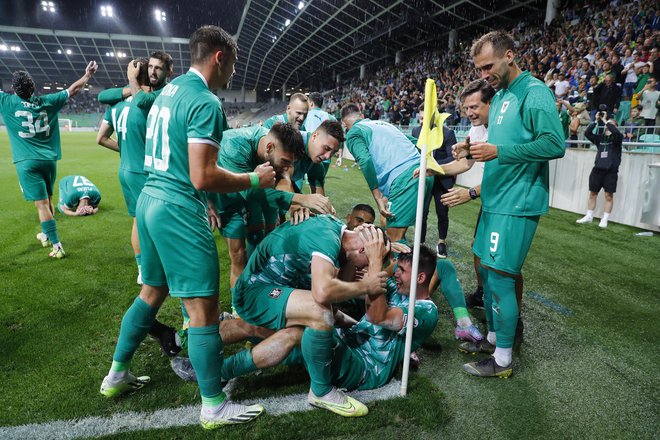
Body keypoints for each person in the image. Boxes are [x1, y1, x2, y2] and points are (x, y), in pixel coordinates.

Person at [99, 25, 276, 430]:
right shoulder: (205, 101)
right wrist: (253, 179)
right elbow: (202, 175)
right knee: (203, 311)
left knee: (151, 291)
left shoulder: (171, 90)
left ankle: (116, 375)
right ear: (219, 57)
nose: (233, 71)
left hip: (148, 200)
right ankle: (213, 404)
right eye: (232, 62)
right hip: (178, 207)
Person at [455, 31, 564, 378]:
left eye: (488, 66)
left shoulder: (534, 94)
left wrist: (500, 152)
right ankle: (491, 337)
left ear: (510, 56)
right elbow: (499, 144)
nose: (484, 74)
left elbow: (554, 144)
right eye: (479, 68)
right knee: (486, 275)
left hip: (517, 204)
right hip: (495, 201)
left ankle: (502, 361)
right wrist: (471, 150)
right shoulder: (500, 96)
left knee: (501, 280)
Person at [232, 217, 391, 417]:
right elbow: (323, 293)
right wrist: (367, 285)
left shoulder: (335, 231)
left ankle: (219, 371)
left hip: (274, 286)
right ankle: (321, 390)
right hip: (253, 293)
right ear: (361, 251)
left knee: (310, 324)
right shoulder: (327, 239)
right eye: (365, 265)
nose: (363, 270)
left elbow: (340, 288)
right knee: (319, 312)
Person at [207, 123, 332, 288]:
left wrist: (294, 204)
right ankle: (234, 308)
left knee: (251, 250)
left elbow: (281, 178)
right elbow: (248, 191)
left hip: (247, 197)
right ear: (269, 147)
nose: (287, 167)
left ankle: (247, 301)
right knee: (227, 258)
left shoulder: (276, 147)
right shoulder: (234, 146)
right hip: (222, 199)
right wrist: (301, 199)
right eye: (285, 161)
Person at [0, 61, 98, 259]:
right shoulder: (48, 101)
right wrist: (87, 76)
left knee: (41, 205)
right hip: (49, 161)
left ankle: (57, 246)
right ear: (34, 87)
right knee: (48, 200)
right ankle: (45, 235)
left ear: (13, 89)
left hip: (27, 162)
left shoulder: (7, 102)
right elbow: (73, 89)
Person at [340, 103, 433, 243]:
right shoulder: (383, 124)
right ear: (362, 116)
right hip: (424, 171)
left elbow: (365, 160)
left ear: (344, 123)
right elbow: (415, 143)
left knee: (394, 239)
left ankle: (404, 263)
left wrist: (377, 198)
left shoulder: (353, 133)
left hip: (406, 179)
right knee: (391, 227)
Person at [96, 58, 153, 283]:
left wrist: (126, 148)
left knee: (138, 221)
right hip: (144, 171)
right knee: (153, 221)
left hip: (125, 169)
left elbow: (100, 138)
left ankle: (142, 269)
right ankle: (151, 269)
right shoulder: (148, 102)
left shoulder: (117, 104)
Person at [414, 103, 458, 258]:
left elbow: (451, 158)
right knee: (422, 211)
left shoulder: (447, 133)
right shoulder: (416, 131)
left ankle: (441, 242)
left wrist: (431, 166)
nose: (422, 122)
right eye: (420, 118)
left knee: (442, 213)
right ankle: (419, 242)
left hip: (442, 180)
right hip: (424, 180)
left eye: (425, 119)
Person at [575, 112, 623, 228]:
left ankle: (605, 219)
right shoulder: (600, 138)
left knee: (608, 196)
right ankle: (589, 216)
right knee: (592, 194)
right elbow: (587, 133)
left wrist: (606, 120)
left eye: (611, 125)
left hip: (610, 172)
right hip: (597, 170)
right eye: (607, 125)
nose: (607, 126)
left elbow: (615, 131)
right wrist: (596, 121)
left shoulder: (617, 138)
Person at [301, 92, 337, 176]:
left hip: (309, 154)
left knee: (304, 180)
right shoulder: (331, 118)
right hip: (326, 157)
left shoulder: (304, 116)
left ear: (311, 103)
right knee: (319, 182)